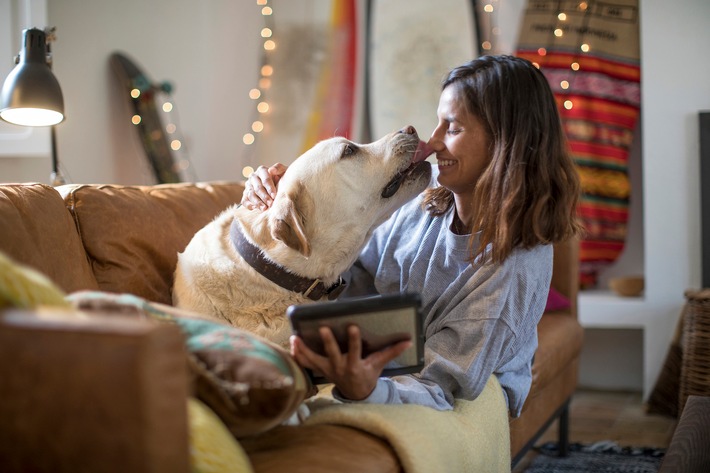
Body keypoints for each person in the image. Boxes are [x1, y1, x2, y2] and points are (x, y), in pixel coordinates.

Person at [241, 55, 582, 416]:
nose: (433, 142)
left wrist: (365, 389)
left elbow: (441, 381)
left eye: (452, 128)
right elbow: (344, 268)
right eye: (439, 124)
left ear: (505, 142)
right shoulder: (422, 193)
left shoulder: (512, 270)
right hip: (383, 348)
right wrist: (275, 195)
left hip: (449, 380)